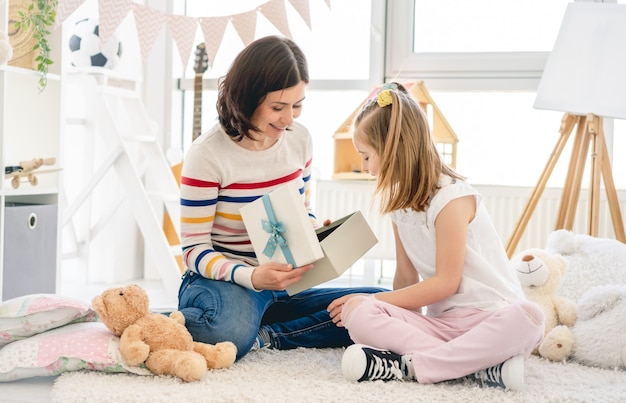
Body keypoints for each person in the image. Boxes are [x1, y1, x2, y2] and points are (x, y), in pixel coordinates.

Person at [177, 35, 386, 361]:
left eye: (297, 105)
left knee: (380, 303)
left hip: (285, 287)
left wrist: (316, 232)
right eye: (278, 107)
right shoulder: (207, 155)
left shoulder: (299, 140)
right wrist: (252, 277)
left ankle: (267, 333)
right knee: (225, 332)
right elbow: (193, 251)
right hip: (226, 282)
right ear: (247, 98)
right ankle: (161, 323)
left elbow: (302, 211)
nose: (289, 119)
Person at [327, 83, 545, 391]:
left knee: (531, 317)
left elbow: (446, 282)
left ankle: (414, 365)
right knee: (358, 314)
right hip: (441, 327)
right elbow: (405, 277)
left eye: (367, 156)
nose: (366, 168)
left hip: (488, 319)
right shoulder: (399, 202)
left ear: (394, 149)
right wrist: (382, 311)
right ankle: (476, 367)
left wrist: (376, 300)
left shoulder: (452, 197)